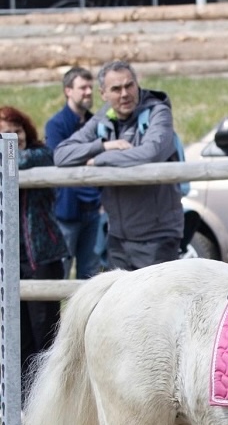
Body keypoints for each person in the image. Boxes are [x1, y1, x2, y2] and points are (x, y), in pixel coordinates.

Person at [53, 59, 183, 271]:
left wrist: (99, 161)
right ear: (103, 94)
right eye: (116, 89)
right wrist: (104, 146)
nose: (124, 94)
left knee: (150, 303)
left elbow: (150, 153)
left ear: (137, 84)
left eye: (129, 85)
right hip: (116, 237)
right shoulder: (103, 117)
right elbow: (61, 154)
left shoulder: (158, 112)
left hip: (156, 237)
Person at [0, 106, 69, 405]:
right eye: (7, 131)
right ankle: (21, 401)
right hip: (9, 259)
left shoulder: (41, 155)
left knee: (45, 330)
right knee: (17, 332)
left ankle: (49, 399)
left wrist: (8, 153)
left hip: (42, 256)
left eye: (17, 128)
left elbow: (24, 159)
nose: (15, 136)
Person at [44, 66, 102, 279]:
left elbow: (104, 161)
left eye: (90, 87)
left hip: (94, 209)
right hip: (66, 212)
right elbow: (59, 159)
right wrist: (94, 154)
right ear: (68, 91)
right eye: (82, 87)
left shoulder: (96, 122)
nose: (88, 92)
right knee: (62, 272)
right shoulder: (55, 125)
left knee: (90, 275)